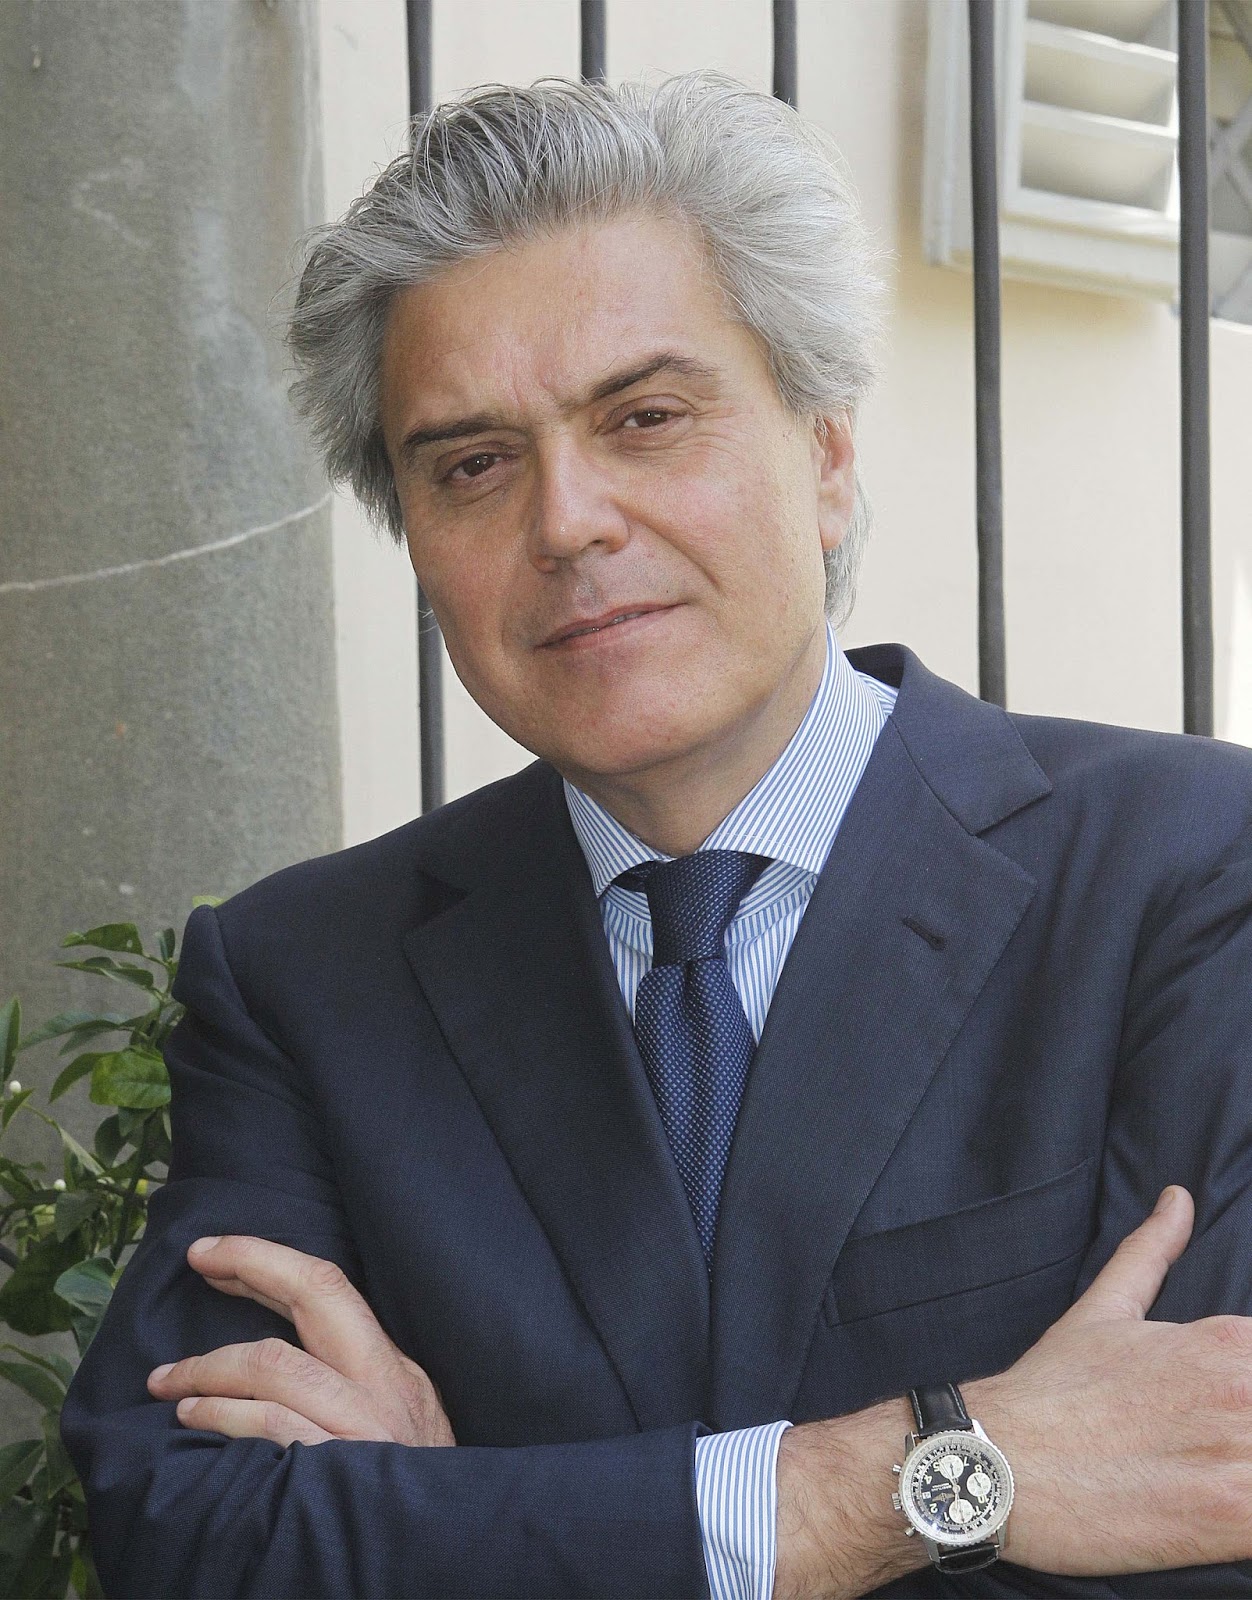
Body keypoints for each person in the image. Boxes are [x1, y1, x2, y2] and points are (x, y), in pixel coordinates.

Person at [61, 74, 1252, 1599]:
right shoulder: (305, 981)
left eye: (646, 417)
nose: (568, 521)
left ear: (827, 456)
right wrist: (908, 1479)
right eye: (472, 463)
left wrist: (465, 1515)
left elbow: (1213, 1516)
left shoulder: (1190, 875)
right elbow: (194, 1541)